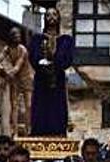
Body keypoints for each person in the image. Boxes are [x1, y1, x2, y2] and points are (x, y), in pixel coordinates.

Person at [28, 7, 74, 136]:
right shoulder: (37, 39)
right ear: (45, 18)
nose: (51, 17)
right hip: (41, 80)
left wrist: (55, 63)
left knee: (57, 108)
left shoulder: (66, 40)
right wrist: (43, 67)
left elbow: (68, 59)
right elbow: (33, 57)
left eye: (54, 14)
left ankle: (58, 133)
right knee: (41, 108)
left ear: (59, 17)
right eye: (48, 15)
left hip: (57, 79)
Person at [0, 26, 34, 136]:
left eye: (19, 36)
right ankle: (15, 130)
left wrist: (6, 77)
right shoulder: (7, 49)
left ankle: (28, 129)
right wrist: (1, 67)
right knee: (14, 105)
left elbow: (17, 67)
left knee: (29, 105)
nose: (18, 37)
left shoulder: (23, 50)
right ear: (11, 37)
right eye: (15, 36)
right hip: (15, 79)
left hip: (26, 78)